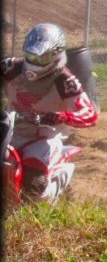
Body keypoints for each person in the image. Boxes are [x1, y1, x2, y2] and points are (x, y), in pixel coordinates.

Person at [1, 23, 99, 196]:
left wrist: (62, 116)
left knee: (33, 184)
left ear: (56, 55)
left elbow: (90, 113)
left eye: (41, 59)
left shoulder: (65, 81)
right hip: (11, 129)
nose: (34, 62)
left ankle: (53, 189)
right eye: (31, 56)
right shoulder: (11, 67)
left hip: (45, 137)